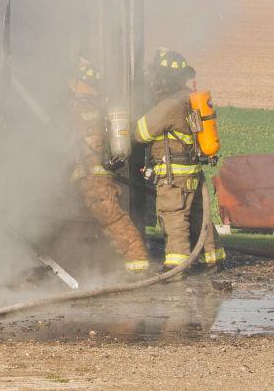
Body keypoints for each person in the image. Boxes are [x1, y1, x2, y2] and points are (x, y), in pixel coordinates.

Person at [133, 48, 225, 270]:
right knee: (198, 216)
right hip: (192, 171)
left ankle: (176, 266)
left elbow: (141, 133)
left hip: (174, 175)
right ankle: (214, 258)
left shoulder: (169, 106)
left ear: (164, 79)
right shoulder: (190, 100)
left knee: (173, 217)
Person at [68, 57, 149, 275]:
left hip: (93, 179)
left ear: (81, 83)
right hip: (94, 176)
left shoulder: (80, 109)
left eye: (74, 80)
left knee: (113, 219)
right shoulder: (98, 107)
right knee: (97, 223)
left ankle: (138, 266)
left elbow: (69, 141)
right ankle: (106, 265)